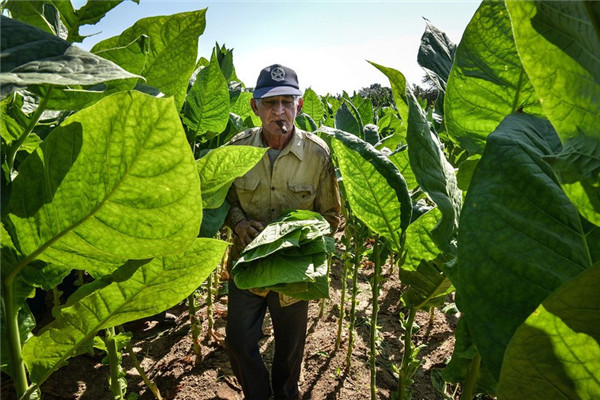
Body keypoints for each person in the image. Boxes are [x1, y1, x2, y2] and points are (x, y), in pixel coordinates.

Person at [224, 64, 341, 400]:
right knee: (238, 340)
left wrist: (298, 237)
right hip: (249, 263)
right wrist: (240, 223)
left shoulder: (317, 155)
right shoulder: (238, 149)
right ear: (254, 107)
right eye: (270, 103)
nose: (279, 111)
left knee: (290, 348)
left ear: (299, 106)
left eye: (287, 102)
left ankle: (286, 394)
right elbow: (226, 202)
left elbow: (332, 215)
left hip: (294, 267)